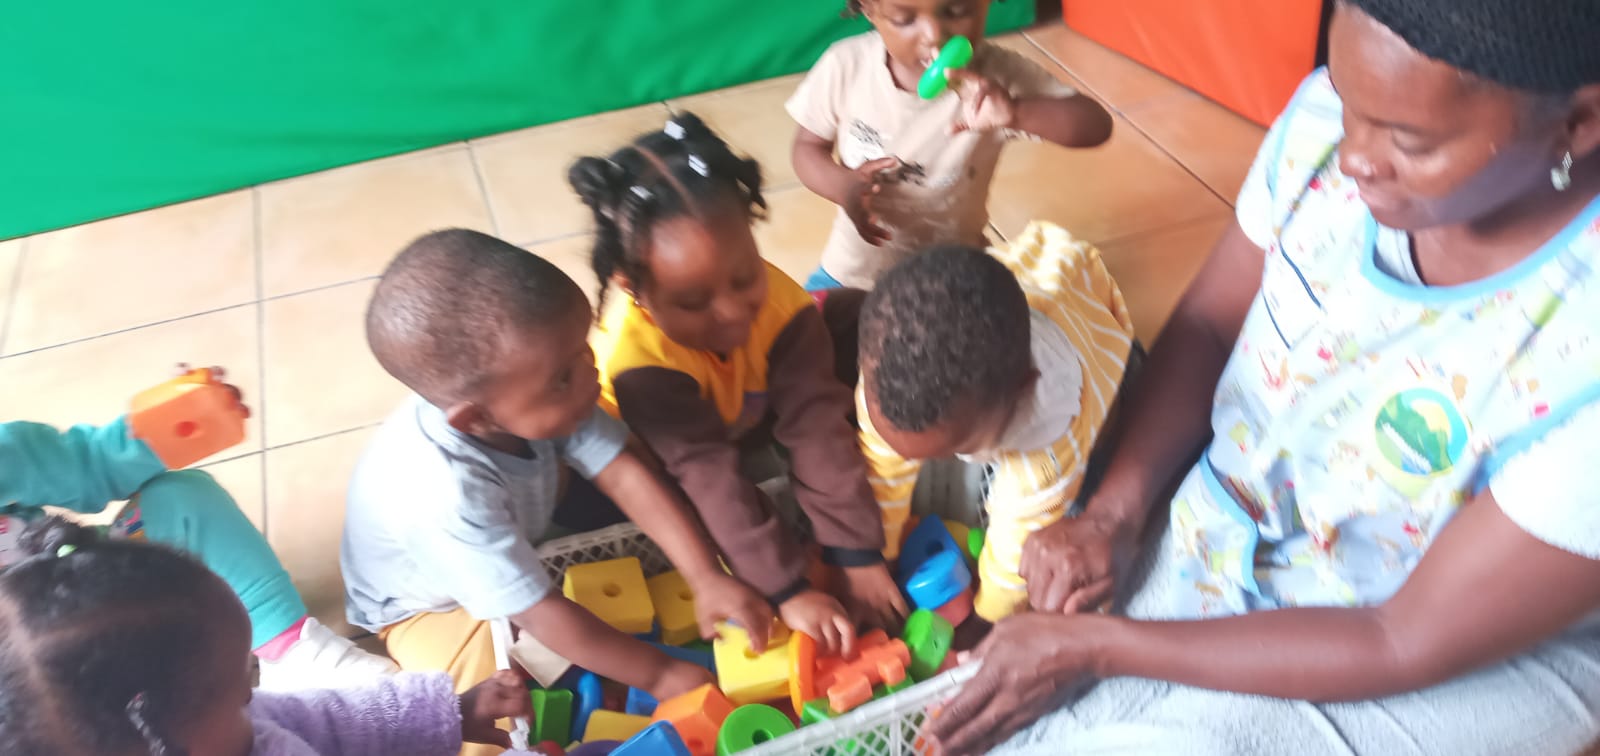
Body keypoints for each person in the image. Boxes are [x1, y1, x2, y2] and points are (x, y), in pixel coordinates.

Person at [928, 1, 1600, 753]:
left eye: (1408, 141)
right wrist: (1112, 516)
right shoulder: (1330, 129)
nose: (1353, 158)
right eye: (1347, 102)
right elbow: (1211, 325)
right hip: (1246, 524)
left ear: (1579, 123)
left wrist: (1101, 647)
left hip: (1432, 636)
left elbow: (1400, 638)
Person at [343, 229, 770, 756]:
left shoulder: (542, 389)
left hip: (518, 518)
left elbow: (623, 472)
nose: (591, 371)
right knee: (488, 719)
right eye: (565, 376)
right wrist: (659, 674)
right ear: (475, 420)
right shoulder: (443, 495)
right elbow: (538, 610)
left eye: (583, 347)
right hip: (429, 609)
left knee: (647, 470)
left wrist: (705, 576)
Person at [574, 112, 901, 652]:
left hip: (745, 409)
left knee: (850, 315)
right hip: (669, 447)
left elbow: (815, 426)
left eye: (744, 277)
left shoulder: (779, 304)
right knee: (677, 493)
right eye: (693, 302)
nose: (730, 313)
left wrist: (856, 553)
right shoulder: (639, 364)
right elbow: (709, 477)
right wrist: (787, 588)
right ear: (631, 287)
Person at [0, 515, 531, 756]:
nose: (252, 697)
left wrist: (448, 712)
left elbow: (321, 721)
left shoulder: (223, 731)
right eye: (239, 692)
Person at [0, 374, 398, 692]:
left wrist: (160, 429)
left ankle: (290, 649)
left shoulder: (8, 453)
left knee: (181, 498)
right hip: (46, 684)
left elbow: (92, 464)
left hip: (103, 580)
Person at [855, 226, 1135, 622]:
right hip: (1033, 268)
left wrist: (984, 618)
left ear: (1023, 392)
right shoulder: (890, 368)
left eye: (953, 449)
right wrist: (875, 554)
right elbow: (881, 464)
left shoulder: (1050, 445)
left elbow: (1013, 558)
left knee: (1069, 536)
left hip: (1097, 338)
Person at [786, 0, 1113, 292]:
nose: (934, 35)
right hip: (854, 273)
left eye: (957, 11)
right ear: (869, 8)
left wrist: (1017, 112)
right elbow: (807, 147)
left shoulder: (999, 78)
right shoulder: (846, 66)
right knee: (805, 328)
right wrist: (841, 186)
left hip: (955, 274)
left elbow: (1095, 126)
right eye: (904, 19)